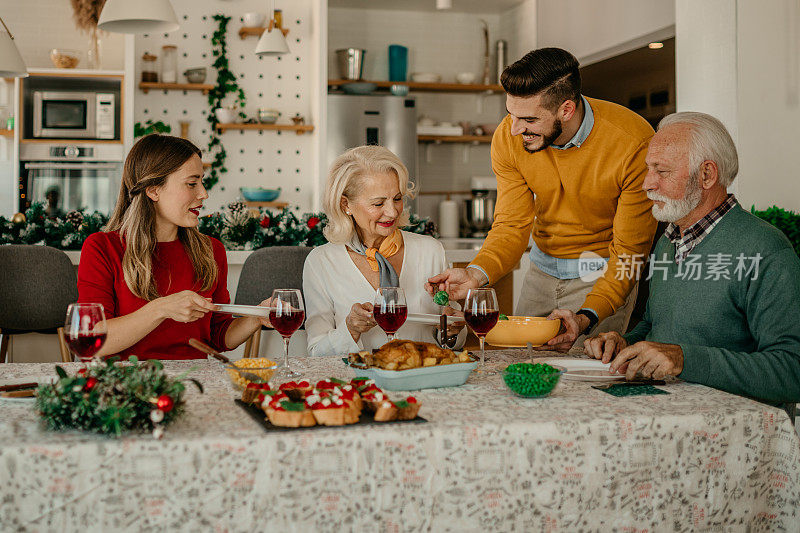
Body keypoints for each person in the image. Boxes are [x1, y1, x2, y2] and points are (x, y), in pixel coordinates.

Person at [426, 48, 657, 351]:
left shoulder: (633, 141)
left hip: (602, 276)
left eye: (529, 119)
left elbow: (629, 252)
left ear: (566, 110)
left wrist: (587, 315)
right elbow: (511, 225)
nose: (515, 128)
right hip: (541, 273)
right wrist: (475, 273)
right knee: (519, 366)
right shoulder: (509, 138)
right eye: (511, 114)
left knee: (582, 379)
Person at [584, 112, 800, 404]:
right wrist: (625, 343)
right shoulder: (667, 242)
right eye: (649, 169)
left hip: (734, 432)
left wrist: (685, 359)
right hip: (667, 417)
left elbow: (791, 371)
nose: (647, 184)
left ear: (707, 175)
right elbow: (655, 325)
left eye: (662, 171)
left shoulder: (767, 250)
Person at [78, 134, 271, 360]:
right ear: (153, 190)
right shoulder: (103, 248)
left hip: (195, 383)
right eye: (192, 183)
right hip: (127, 386)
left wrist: (257, 317)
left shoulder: (211, 251)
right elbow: (91, 341)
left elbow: (218, 336)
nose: (203, 193)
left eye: (202, 182)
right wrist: (161, 309)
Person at [303, 145, 465, 357]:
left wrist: (452, 330)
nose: (392, 212)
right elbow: (316, 353)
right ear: (345, 205)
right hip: (358, 385)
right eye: (378, 203)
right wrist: (350, 329)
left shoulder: (430, 250)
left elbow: (454, 341)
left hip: (422, 379)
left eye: (397, 199)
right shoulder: (321, 262)